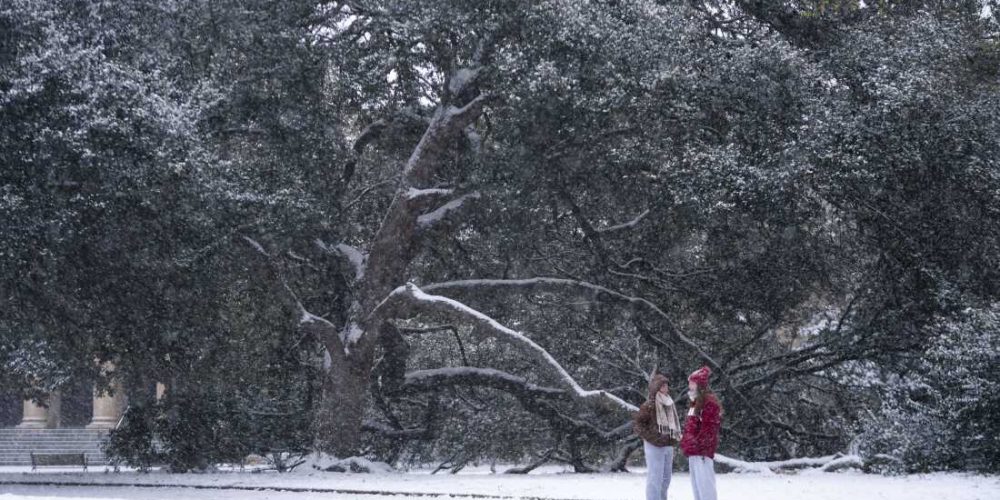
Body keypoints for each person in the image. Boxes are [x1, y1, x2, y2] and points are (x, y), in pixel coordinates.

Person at [633, 371, 682, 500]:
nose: (667, 388)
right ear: (656, 388)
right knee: (655, 478)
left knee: (666, 479)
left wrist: (672, 439)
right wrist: (654, 438)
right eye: (663, 386)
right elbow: (639, 426)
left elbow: (673, 425)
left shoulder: (669, 403)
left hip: (668, 446)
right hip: (654, 446)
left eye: (667, 386)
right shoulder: (648, 406)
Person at [680, 366, 722, 500]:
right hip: (694, 450)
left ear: (699, 384)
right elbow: (691, 425)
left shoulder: (709, 402)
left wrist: (699, 445)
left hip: (701, 451)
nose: (689, 386)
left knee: (705, 486)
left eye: (691, 383)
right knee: (697, 485)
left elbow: (709, 428)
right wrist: (687, 443)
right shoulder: (696, 401)